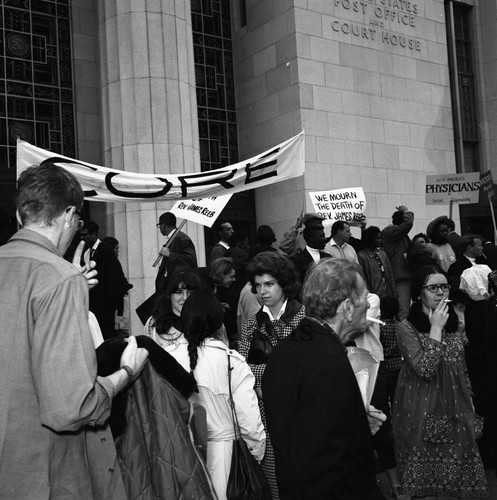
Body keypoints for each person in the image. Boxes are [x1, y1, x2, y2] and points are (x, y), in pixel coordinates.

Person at [0, 162, 148, 499]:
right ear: (69, 215)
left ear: (22, 213)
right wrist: (126, 372)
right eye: (78, 219)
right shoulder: (58, 278)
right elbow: (72, 407)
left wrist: (69, 285)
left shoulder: (57, 277)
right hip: (43, 474)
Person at [262, 259, 386, 499]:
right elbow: (324, 463)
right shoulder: (328, 360)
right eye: (365, 297)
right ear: (348, 308)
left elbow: (306, 431)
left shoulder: (285, 349)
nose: (368, 304)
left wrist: (356, 423)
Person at [392, 265, 488, 498]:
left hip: (458, 405)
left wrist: (471, 400)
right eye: (432, 287)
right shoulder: (407, 328)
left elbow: (460, 365)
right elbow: (425, 369)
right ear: (418, 293)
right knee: (426, 484)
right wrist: (435, 329)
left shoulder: (455, 323)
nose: (440, 292)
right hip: (422, 408)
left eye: (444, 287)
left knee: (460, 476)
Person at [181, 291, 266, 500]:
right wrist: (255, 454)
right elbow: (250, 422)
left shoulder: (170, 358)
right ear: (219, 322)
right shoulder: (231, 362)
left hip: (184, 457)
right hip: (226, 458)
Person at [239, 252, 306, 499]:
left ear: (284, 284)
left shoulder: (304, 320)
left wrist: (263, 374)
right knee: (275, 483)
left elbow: (307, 369)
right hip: (264, 415)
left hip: (301, 413)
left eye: (269, 284)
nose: (262, 291)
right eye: (257, 286)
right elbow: (240, 370)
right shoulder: (251, 324)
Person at [144, 267, 202, 368]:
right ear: (168, 295)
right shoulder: (153, 323)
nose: (185, 298)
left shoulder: (208, 321)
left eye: (190, 293)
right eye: (179, 292)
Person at [80, 220, 124, 338]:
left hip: (105, 303)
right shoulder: (86, 251)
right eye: (81, 235)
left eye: (85, 235)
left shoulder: (105, 249)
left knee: (105, 333)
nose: (82, 238)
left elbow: (111, 278)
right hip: (93, 302)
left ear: (93, 234)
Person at [382, 205, 414, 321]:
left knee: (405, 309)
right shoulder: (390, 231)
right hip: (400, 276)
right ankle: (403, 336)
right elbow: (408, 224)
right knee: (403, 310)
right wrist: (406, 212)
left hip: (404, 275)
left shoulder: (399, 235)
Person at [155, 211, 198, 294]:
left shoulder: (182, 238)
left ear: (163, 225)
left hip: (180, 286)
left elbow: (190, 260)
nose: (159, 228)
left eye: (159, 225)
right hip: (172, 285)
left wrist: (170, 255)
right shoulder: (172, 239)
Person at [358, 226, 397, 299]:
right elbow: (363, 278)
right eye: (378, 238)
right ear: (371, 239)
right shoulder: (362, 256)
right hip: (373, 295)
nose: (380, 240)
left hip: (387, 294)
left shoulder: (382, 254)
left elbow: (390, 274)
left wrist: (394, 293)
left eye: (381, 238)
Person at [102, 236, 133, 325]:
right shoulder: (112, 263)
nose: (117, 251)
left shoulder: (112, 262)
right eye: (116, 248)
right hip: (113, 305)